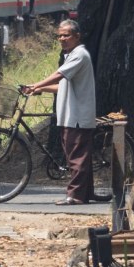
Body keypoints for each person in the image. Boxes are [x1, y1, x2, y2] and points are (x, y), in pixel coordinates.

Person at [22, 19, 96, 204]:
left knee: (76, 157)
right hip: (69, 114)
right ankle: (87, 193)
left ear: (77, 37)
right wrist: (40, 89)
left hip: (77, 115)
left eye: (66, 35)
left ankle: (75, 196)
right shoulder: (69, 55)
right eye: (60, 36)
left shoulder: (80, 55)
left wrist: (36, 84)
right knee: (77, 155)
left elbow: (59, 76)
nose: (62, 39)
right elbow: (63, 85)